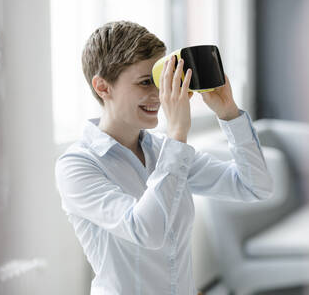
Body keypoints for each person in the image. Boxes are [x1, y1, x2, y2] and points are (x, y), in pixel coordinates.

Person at [54, 20, 273, 295]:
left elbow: (256, 186)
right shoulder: (77, 166)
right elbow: (146, 231)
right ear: (103, 87)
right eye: (146, 82)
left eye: (160, 80)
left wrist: (229, 113)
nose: (158, 94)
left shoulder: (163, 151)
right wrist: (177, 132)